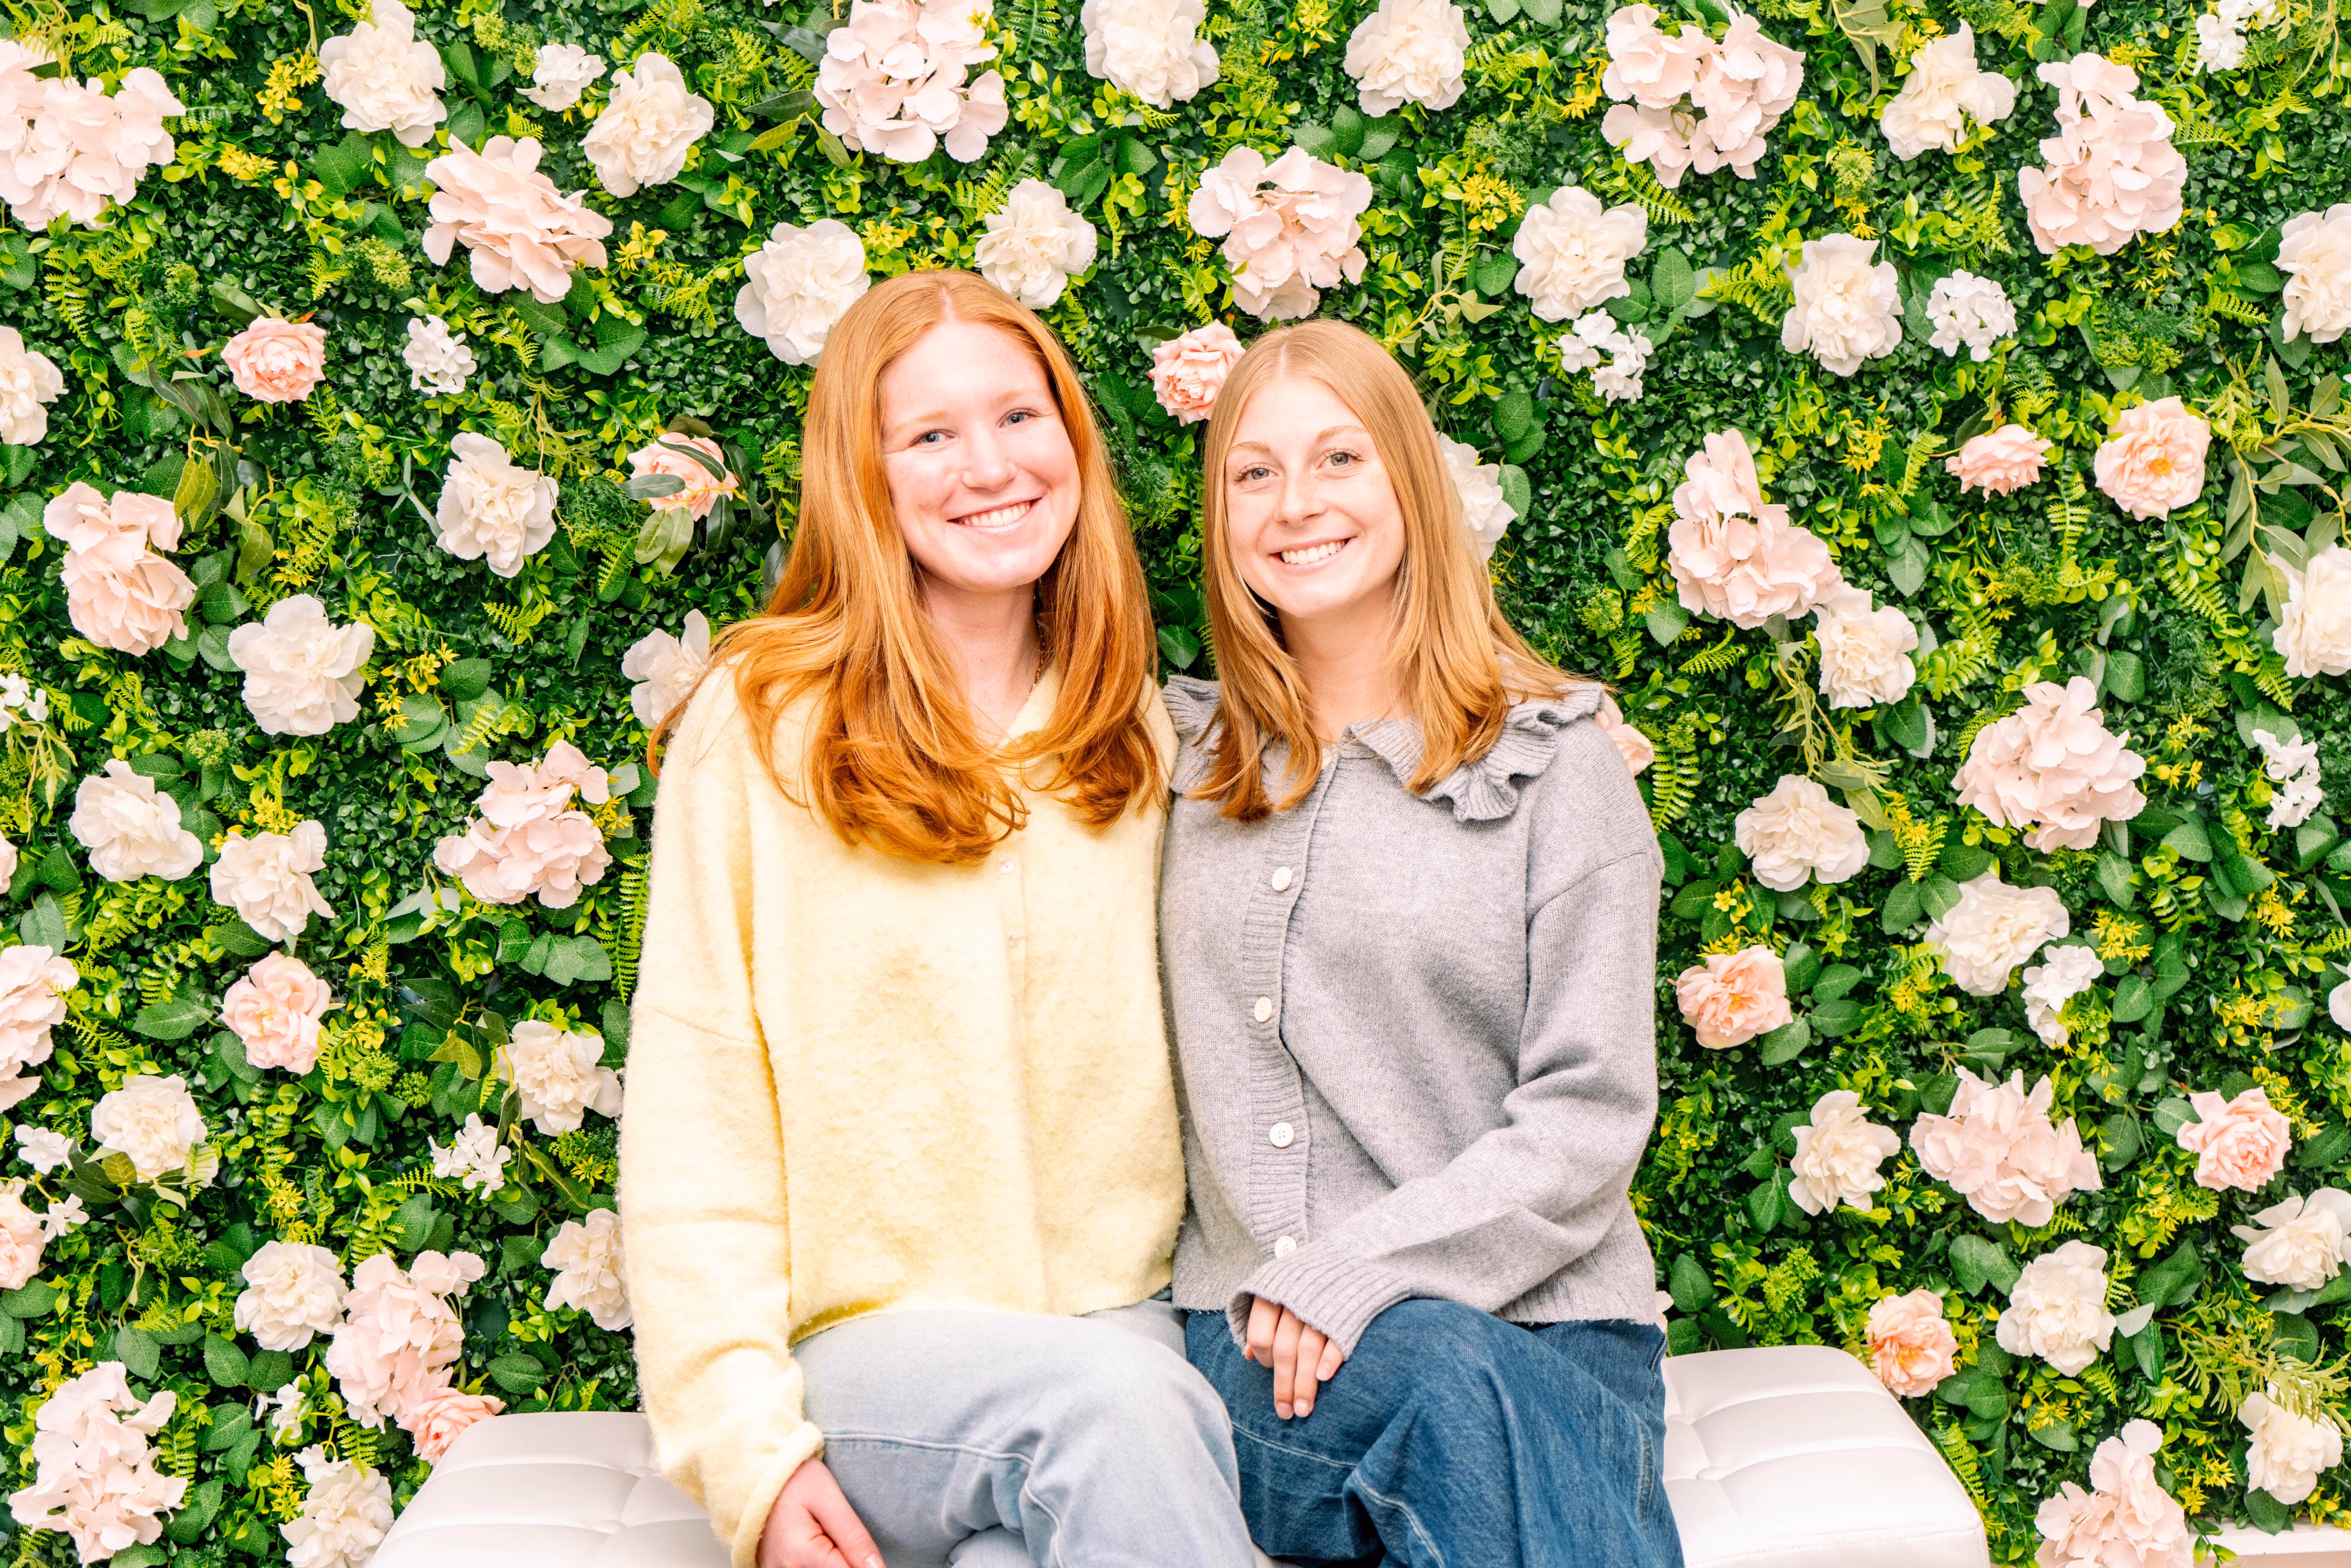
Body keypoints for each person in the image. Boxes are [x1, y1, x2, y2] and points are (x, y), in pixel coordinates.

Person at [617, 269, 1260, 1568]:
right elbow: (698, 1105)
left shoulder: (1130, 725)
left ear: (1073, 443)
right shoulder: (764, 724)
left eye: (1021, 419)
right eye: (929, 435)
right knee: (1107, 1416)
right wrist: (749, 1450)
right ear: (868, 477)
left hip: (1109, 1320)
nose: (990, 467)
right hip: (866, 1361)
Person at [1158, 317, 1685, 1568]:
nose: (1295, 503)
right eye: (1252, 472)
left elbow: (1588, 1114)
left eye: (1339, 459)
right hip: (1268, 1364)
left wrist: (1364, 1270)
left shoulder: (1557, 767)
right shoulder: (1173, 761)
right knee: (1436, 1378)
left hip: (1555, 1344)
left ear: (1409, 482)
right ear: (1221, 517)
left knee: (1450, 1372)